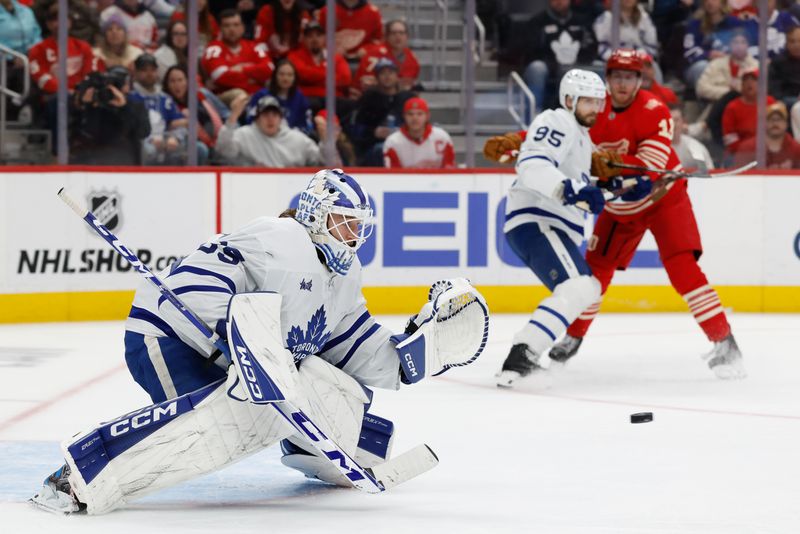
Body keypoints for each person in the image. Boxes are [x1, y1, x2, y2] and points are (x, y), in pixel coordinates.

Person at [29, 169, 488, 515]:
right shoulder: (280, 237)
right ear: (315, 212)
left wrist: (413, 355)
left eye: (358, 225)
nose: (354, 235)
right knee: (221, 423)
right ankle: (79, 476)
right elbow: (192, 284)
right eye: (344, 222)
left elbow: (350, 344)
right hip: (169, 338)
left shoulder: (343, 277)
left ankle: (315, 445)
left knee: (328, 386)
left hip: (229, 357)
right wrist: (236, 334)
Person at [484, 49, 747, 380]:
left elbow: (646, 167)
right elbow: (563, 133)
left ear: (641, 80)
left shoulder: (654, 110)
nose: (622, 83)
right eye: (617, 76)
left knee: (683, 268)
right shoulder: (594, 105)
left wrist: (620, 174)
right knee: (592, 275)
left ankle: (723, 340)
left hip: (664, 201)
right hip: (620, 208)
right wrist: (519, 141)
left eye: (630, 76)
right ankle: (573, 335)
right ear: (607, 80)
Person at [492, 69, 615, 386]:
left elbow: (580, 186)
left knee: (585, 288)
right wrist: (570, 189)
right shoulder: (558, 120)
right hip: (538, 219)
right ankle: (521, 358)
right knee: (579, 287)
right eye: (588, 101)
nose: (595, 109)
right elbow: (532, 164)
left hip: (548, 223)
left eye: (598, 102)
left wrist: (619, 186)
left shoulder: (580, 135)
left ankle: (524, 357)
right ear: (569, 99)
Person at [520, 0, 597, 112]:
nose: (559, 1)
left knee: (598, 66)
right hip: (548, 66)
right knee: (536, 68)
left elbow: (592, 47)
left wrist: (576, 63)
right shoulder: (537, 21)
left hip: (576, 66)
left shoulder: (582, 21)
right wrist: (555, 65)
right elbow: (531, 51)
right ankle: (533, 116)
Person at [69, 65, 151, 165]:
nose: (115, 88)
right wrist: (85, 107)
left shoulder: (136, 107)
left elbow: (143, 132)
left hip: (127, 165)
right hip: (93, 164)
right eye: (112, 84)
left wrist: (124, 108)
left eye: (118, 83)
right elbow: (81, 135)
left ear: (127, 86)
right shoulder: (95, 105)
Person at [216, 94, 322, 167]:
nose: (270, 119)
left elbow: (322, 161)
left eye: (275, 115)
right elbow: (223, 150)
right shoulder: (244, 134)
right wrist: (233, 117)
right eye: (266, 114)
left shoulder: (297, 139)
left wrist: (327, 141)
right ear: (257, 118)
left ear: (281, 118)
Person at [201, 9, 275, 106]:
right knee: (240, 95)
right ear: (220, 29)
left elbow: (269, 69)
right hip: (225, 98)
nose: (232, 29)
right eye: (227, 26)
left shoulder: (253, 47)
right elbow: (220, 76)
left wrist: (242, 68)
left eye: (236, 25)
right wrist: (253, 78)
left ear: (243, 28)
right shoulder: (214, 48)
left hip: (257, 96)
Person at [129, 53, 191, 165]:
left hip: (165, 142)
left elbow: (180, 124)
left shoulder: (165, 99)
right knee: (149, 150)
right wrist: (148, 140)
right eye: (144, 70)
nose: (149, 74)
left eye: (152, 70)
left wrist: (175, 138)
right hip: (142, 144)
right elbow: (130, 129)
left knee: (196, 149)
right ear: (136, 73)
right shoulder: (130, 98)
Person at [350, 57, 414, 165]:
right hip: (374, 147)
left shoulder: (407, 98)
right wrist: (374, 132)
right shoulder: (368, 98)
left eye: (390, 72)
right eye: (383, 73)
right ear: (377, 77)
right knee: (381, 150)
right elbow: (355, 127)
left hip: (406, 144)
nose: (387, 76)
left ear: (397, 76)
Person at [163, 65, 226, 157]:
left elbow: (225, 114)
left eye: (180, 80)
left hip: (218, 138)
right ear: (167, 84)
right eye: (172, 81)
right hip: (185, 144)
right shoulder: (165, 102)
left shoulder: (202, 94)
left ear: (187, 81)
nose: (177, 85)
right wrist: (171, 124)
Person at [286, 20, 351, 105]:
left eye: (318, 35)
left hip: (333, 100)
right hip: (305, 99)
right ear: (304, 39)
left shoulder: (335, 57)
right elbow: (302, 75)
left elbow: (345, 79)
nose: (315, 39)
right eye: (310, 36)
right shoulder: (294, 56)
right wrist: (329, 75)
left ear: (324, 38)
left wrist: (312, 76)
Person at [352, 19, 420, 97]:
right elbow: (364, 83)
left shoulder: (412, 59)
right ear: (386, 36)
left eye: (401, 33)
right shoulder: (374, 54)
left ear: (407, 36)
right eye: (393, 33)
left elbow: (410, 86)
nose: (398, 36)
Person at [383, 96, 455, 169]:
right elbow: (393, 175)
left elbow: (449, 168)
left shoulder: (442, 137)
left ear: (427, 116)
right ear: (404, 116)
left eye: (419, 114)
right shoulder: (393, 142)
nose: (415, 118)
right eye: (410, 114)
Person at [244, 58, 312, 132]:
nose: (285, 78)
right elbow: (250, 121)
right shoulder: (261, 95)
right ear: (275, 76)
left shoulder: (300, 97)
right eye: (281, 74)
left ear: (295, 78)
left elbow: (306, 125)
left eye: (290, 75)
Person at [721, 67, 775, 157]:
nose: (749, 83)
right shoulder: (732, 107)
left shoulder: (770, 102)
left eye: (754, 79)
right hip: (738, 153)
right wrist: (747, 151)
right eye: (745, 80)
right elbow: (730, 138)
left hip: (768, 151)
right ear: (741, 85)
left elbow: (778, 129)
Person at [737, 101, 800, 168]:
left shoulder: (796, 149)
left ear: (786, 124)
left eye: (779, 119)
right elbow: (740, 175)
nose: (775, 123)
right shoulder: (747, 148)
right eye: (771, 119)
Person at [318, 0, 383, 60]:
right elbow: (317, 38)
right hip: (333, 61)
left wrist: (367, 49)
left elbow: (379, 41)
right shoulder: (327, 11)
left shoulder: (373, 13)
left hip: (363, 61)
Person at [669, 103, 715, 170]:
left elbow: (709, 171)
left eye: (676, 120)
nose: (674, 124)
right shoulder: (658, 148)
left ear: (683, 122)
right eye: (670, 120)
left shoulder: (695, 146)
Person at [768, 26, 800, 110]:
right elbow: (775, 90)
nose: (796, 45)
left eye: (799, 41)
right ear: (787, 44)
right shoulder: (778, 62)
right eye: (792, 41)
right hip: (786, 100)